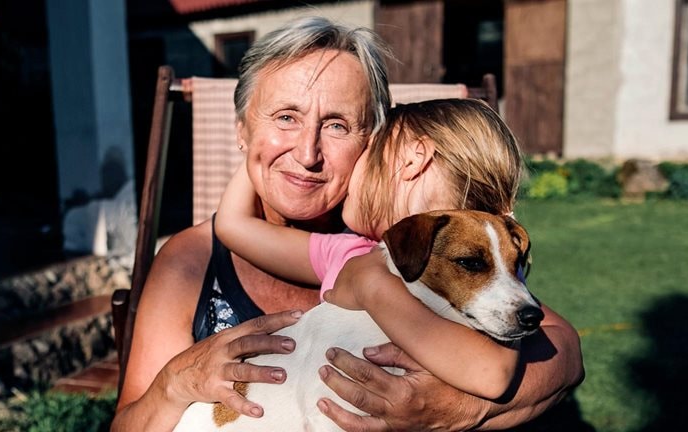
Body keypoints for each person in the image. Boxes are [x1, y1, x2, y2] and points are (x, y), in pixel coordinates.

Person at [111, 16, 583, 432]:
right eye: (284, 118)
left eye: (337, 125)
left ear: (370, 143)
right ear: (243, 131)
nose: (307, 152)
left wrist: (452, 409)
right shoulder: (191, 262)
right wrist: (174, 385)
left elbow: (563, 353)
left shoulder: (395, 244)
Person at [215, 98, 529, 402]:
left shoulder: (482, 281)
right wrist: (266, 146)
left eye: (367, 150)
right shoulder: (347, 251)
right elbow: (234, 225)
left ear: (412, 159)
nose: (350, 166)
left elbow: (492, 374)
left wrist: (372, 286)